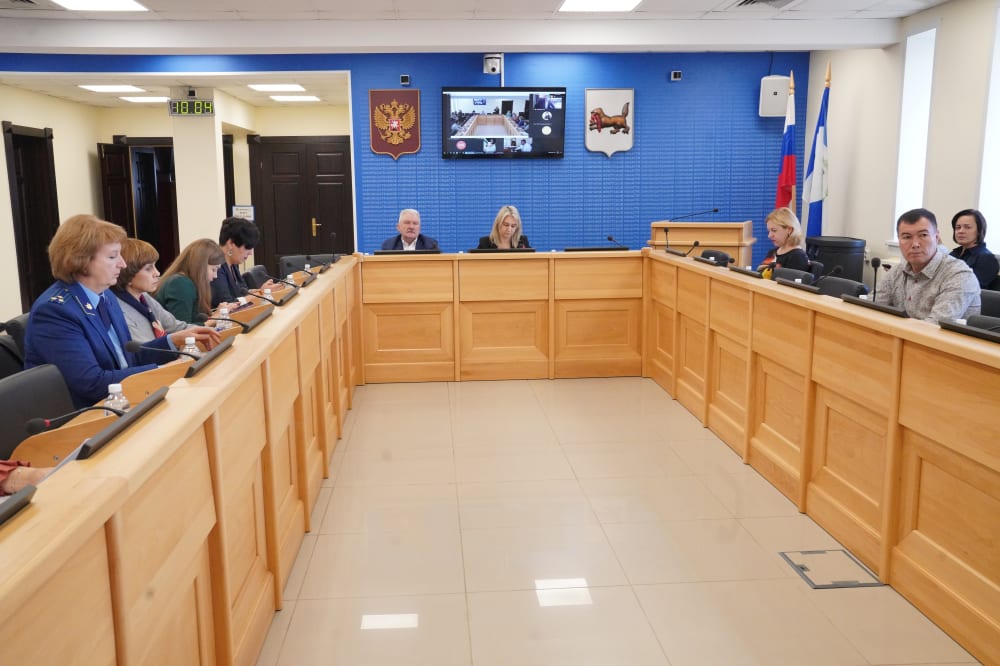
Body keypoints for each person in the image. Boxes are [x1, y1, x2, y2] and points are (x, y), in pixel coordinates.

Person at [23, 214, 220, 408]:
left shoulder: (106, 296)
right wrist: (163, 370)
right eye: (112, 256)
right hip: (89, 415)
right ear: (81, 261)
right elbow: (92, 383)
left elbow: (128, 359)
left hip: (122, 402)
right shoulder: (55, 312)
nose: (122, 264)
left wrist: (173, 340)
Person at [875, 208, 981, 322]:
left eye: (923, 235)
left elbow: (934, 325)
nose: (915, 244)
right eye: (907, 237)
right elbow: (872, 307)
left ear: (936, 238)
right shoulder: (898, 271)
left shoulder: (959, 275)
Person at [112, 238, 192, 343]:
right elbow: (145, 349)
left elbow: (176, 327)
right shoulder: (119, 310)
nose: (157, 273)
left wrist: (207, 331)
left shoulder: (144, 297)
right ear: (128, 274)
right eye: (148, 269)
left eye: (155, 266)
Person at [157, 238, 236, 324]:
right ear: (200, 266)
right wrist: (216, 317)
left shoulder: (188, 283)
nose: (215, 276)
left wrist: (216, 314)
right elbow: (184, 329)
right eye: (213, 269)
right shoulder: (179, 284)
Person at [210, 216, 279, 307]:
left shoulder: (233, 263)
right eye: (247, 247)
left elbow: (242, 292)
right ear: (231, 243)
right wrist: (261, 293)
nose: (250, 253)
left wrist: (261, 291)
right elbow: (228, 304)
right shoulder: (216, 268)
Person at [949, 209, 999, 288]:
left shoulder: (987, 258)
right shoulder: (953, 254)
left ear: (979, 231)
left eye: (967, 227)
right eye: (958, 227)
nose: (960, 231)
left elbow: (971, 288)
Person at [757, 207, 810, 277]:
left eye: (774, 230)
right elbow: (760, 274)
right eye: (769, 231)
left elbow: (791, 282)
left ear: (789, 230)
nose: (769, 236)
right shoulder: (773, 252)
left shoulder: (798, 257)